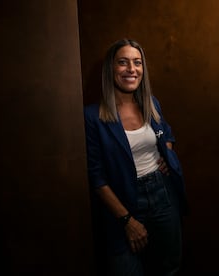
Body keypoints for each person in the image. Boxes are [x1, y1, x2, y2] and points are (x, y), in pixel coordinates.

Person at [84, 38, 188, 276]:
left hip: (163, 194)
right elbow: (96, 177)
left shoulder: (151, 104)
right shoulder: (92, 117)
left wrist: (166, 155)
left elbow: (167, 134)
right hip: (123, 203)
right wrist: (127, 220)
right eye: (123, 62)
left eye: (137, 62)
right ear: (111, 69)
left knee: (169, 268)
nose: (131, 69)